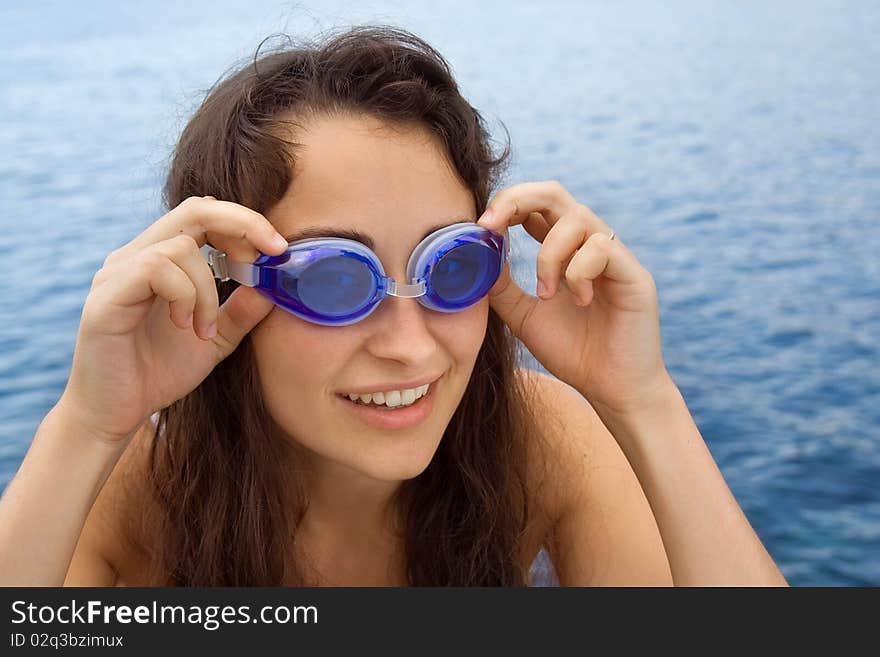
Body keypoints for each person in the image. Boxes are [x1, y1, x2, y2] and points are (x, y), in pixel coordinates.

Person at [0, 25, 787, 586]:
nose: (410, 346)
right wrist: (86, 425)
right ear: (223, 287)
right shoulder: (141, 493)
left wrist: (643, 401)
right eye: (335, 279)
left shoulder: (538, 442)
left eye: (450, 268)